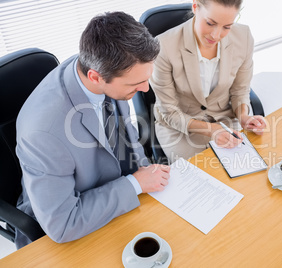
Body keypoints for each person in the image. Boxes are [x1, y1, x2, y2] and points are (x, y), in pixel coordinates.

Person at [15, 12, 170, 249]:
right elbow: (63, 224)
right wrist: (135, 184)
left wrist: (144, 169)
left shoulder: (103, 67)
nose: (145, 88)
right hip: (73, 220)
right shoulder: (43, 132)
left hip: (115, 193)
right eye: (135, 84)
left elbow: (126, 133)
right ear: (95, 77)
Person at [150, 0, 266, 162]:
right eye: (210, 23)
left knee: (245, 172)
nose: (216, 35)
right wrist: (211, 130)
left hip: (224, 119)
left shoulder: (243, 37)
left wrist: (244, 116)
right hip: (180, 126)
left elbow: (240, 90)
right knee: (196, 180)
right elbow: (169, 111)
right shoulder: (163, 46)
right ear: (195, 7)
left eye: (227, 27)